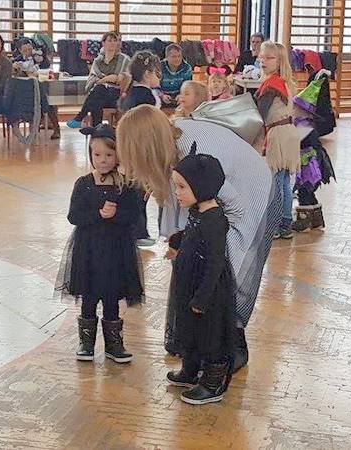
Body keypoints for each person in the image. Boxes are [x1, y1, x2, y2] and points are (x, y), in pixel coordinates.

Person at [116, 105, 280, 373]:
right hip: (228, 197)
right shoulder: (173, 141)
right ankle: (198, 340)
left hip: (253, 194)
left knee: (232, 272)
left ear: (145, 147)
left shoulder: (197, 155)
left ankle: (232, 347)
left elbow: (234, 208)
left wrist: (213, 238)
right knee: (199, 264)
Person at [57, 124, 143, 363]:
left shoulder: (125, 185)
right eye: (97, 155)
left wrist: (116, 215)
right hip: (89, 250)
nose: (103, 160)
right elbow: (74, 216)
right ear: (90, 154)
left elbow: (134, 217)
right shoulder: (83, 183)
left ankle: (114, 344)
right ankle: (86, 343)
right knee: (89, 295)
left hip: (116, 250)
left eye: (108, 155)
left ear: (118, 155)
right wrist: (98, 214)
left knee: (112, 296)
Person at [165, 153, 235, 405]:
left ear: (202, 186)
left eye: (182, 187)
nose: (177, 193)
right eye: (176, 186)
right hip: (190, 283)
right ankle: (190, 369)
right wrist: (178, 241)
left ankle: (212, 383)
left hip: (208, 289)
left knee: (209, 333)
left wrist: (203, 297)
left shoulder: (214, 219)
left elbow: (215, 261)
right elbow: (193, 236)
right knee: (190, 328)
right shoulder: (198, 211)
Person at [119, 50, 163, 248]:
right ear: (147, 74)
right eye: (157, 72)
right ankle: (138, 232)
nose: (159, 77)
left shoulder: (133, 93)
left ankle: (135, 231)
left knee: (137, 190)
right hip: (142, 147)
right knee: (140, 192)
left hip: (132, 146)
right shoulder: (145, 96)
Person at [256, 41, 300, 240]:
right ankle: (285, 224)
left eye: (269, 58)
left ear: (279, 61)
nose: (263, 61)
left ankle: (275, 224)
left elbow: (260, 114)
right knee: (283, 182)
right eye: (262, 57)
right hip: (288, 132)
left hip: (278, 134)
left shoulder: (272, 84)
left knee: (276, 183)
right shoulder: (284, 82)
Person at [66, 32, 130, 129]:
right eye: (110, 41)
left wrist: (103, 80)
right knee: (97, 99)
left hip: (117, 96)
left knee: (97, 92)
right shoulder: (98, 61)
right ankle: (97, 130)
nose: (113, 43)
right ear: (103, 43)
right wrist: (107, 79)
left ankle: (81, 118)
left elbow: (118, 79)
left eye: (115, 41)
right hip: (101, 94)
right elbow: (92, 79)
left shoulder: (124, 59)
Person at [11, 37, 60, 139]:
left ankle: (56, 129)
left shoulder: (40, 56)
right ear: (20, 50)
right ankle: (33, 130)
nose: (28, 52)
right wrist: (16, 68)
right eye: (25, 50)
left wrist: (39, 71)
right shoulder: (17, 60)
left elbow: (48, 70)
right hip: (26, 91)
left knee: (49, 102)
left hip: (42, 87)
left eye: (29, 49)